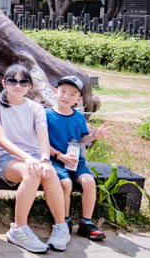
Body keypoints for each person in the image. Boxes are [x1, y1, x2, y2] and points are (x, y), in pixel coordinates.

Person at [0, 64, 69, 253]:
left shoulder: (36, 108)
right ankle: (18, 229)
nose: (18, 85)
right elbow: (1, 139)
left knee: (49, 171)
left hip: (32, 156)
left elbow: (42, 136)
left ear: (30, 86)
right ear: (4, 83)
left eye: (23, 81)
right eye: (12, 80)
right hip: (2, 156)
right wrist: (27, 159)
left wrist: (45, 159)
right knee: (31, 172)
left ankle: (61, 227)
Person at [46, 75, 111, 240]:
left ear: (79, 99)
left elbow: (82, 139)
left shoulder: (78, 117)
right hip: (55, 161)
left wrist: (94, 135)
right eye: (63, 91)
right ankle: (65, 219)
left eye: (72, 94)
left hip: (76, 161)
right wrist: (60, 156)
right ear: (55, 92)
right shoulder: (46, 115)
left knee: (89, 181)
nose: (66, 96)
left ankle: (86, 222)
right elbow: (41, 142)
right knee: (65, 183)